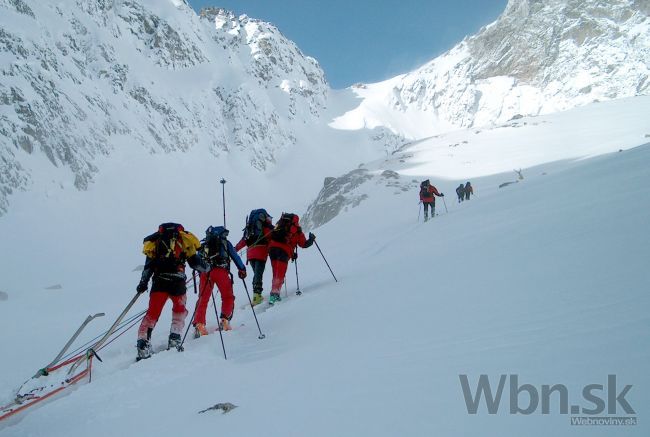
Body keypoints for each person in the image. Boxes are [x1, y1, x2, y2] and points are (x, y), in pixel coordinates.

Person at [136, 223, 209, 361]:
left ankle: (143, 344)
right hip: (178, 283)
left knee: (152, 313)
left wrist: (143, 283)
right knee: (179, 310)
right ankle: (175, 338)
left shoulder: (155, 242)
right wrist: (207, 268)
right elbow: (194, 262)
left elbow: (148, 266)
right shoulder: (183, 240)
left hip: (159, 282)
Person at [193, 226, 246, 336]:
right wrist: (242, 269)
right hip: (221, 272)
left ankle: (199, 324)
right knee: (227, 296)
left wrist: (201, 273)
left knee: (203, 299)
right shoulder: (226, 243)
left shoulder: (204, 244)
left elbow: (198, 261)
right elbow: (235, 257)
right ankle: (224, 320)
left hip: (206, 272)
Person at [268, 213, 315, 304]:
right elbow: (303, 244)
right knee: (280, 273)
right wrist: (311, 239)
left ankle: (274, 292)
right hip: (283, 251)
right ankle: (274, 295)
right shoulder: (296, 230)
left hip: (272, 249)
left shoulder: (280, 225)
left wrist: (292, 254)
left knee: (276, 272)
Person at [235, 209, 274, 306]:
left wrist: (233, 250)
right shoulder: (265, 227)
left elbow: (243, 241)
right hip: (261, 252)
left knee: (256, 274)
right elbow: (271, 237)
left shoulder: (249, 229)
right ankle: (257, 296)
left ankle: (256, 295)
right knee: (258, 274)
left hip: (250, 254)